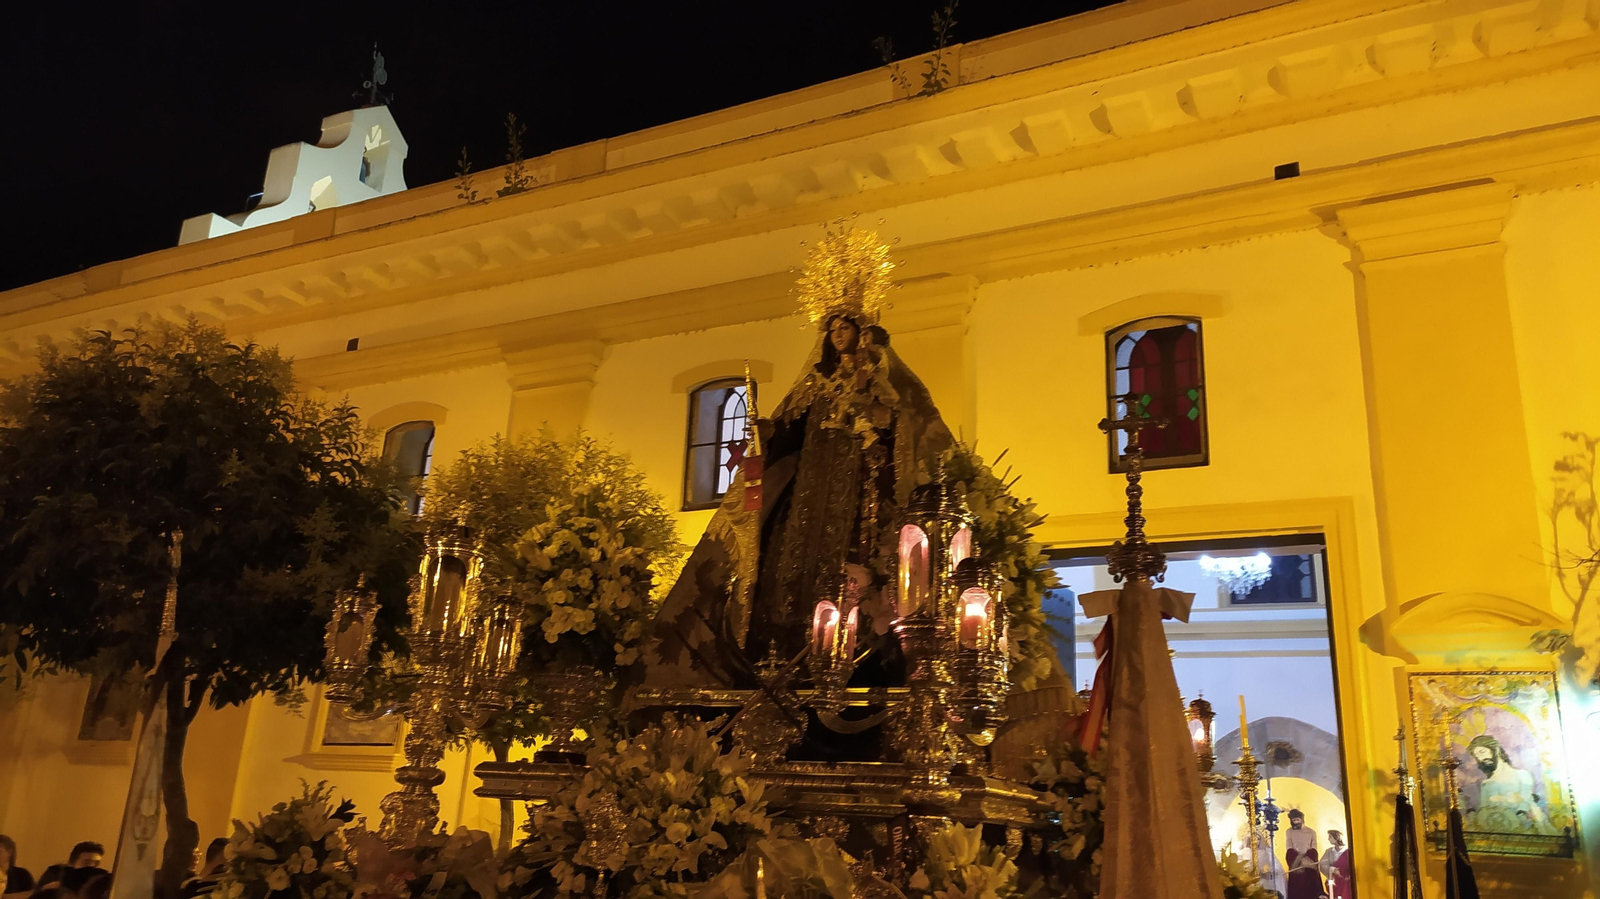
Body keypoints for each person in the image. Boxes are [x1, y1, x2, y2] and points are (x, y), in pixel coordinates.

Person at [1281, 811, 1326, 899]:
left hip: (1309, 863)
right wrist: (1299, 859)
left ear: (1302, 819)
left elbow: (1314, 847)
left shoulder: (1311, 831)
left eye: (1298, 820)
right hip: (1296, 864)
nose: (1296, 822)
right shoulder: (1289, 832)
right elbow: (1289, 848)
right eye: (1294, 820)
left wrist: (1307, 860)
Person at [33, 842, 104, 893]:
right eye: (86, 862)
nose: (92, 866)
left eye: (97, 863)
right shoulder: (56, 873)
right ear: (72, 863)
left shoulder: (100, 883)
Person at [1322, 830, 1353, 899]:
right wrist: (1332, 870)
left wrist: (1342, 872)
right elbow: (1323, 864)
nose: (1328, 839)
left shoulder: (1348, 852)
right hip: (1334, 879)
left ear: (1336, 838)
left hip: (1346, 881)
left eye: (1330, 837)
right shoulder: (1329, 852)